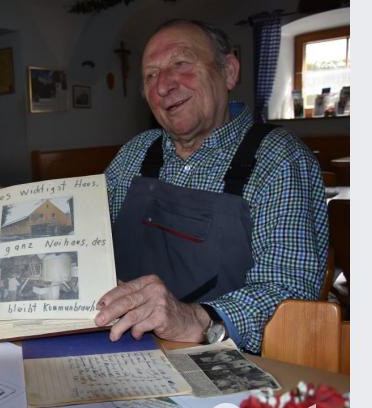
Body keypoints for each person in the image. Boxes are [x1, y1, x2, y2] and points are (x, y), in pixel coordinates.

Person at [95, 19, 328, 354]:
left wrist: (197, 320)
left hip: (226, 362)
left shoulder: (279, 159)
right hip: (121, 349)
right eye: (150, 75)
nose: (163, 85)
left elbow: (291, 294)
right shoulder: (135, 153)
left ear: (229, 72)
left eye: (181, 64)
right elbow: (87, 242)